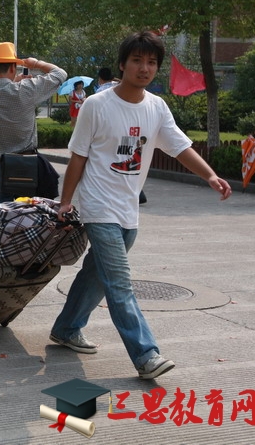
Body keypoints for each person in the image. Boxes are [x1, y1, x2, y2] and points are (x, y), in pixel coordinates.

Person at [49, 31, 232, 380]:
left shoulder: (156, 107)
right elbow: (78, 157)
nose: (144, 68)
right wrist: (67, 200)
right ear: (123, 64)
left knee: (96, 275)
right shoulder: (96, 105)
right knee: (119, 283)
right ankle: (146, 354)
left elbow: (179, 147)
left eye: (151, 62)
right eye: (137, 60)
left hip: (128, 209)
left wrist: (210, 176)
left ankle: (67, 328)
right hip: (98, 206)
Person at [0, 42, 67, 208]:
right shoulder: (26, 91)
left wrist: (14, 81)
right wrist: (36, 63)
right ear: (12, 68)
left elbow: (2, 93)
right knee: (28, 222)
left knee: (0, 224)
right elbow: (60, 73)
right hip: (27, 168)